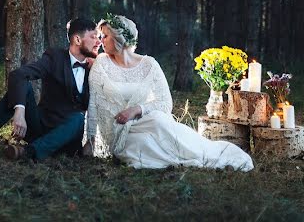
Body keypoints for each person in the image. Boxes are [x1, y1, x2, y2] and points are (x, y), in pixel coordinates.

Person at [83, 15, 253, 171]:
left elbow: (165, 103)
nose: (100, 41)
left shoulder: (149, 64)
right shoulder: (101, 63)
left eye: (105, 36)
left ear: (119, 37)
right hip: (119, 131)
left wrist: (137, 109)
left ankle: (205, 153)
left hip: (148, 121)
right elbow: (94, 104)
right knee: (141, 146)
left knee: (160, 121)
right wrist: (90, 142)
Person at [0, 17, 101, 161]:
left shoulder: (96, 69)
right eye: (93, 37)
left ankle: (29, 152)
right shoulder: (55, 58)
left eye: (99, 37)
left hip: (67, 139)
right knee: (21, 87)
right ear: (78, 40)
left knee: (78, 118)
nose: (98, 42)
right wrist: (20, 110)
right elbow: (19, 75)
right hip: (40, 127)